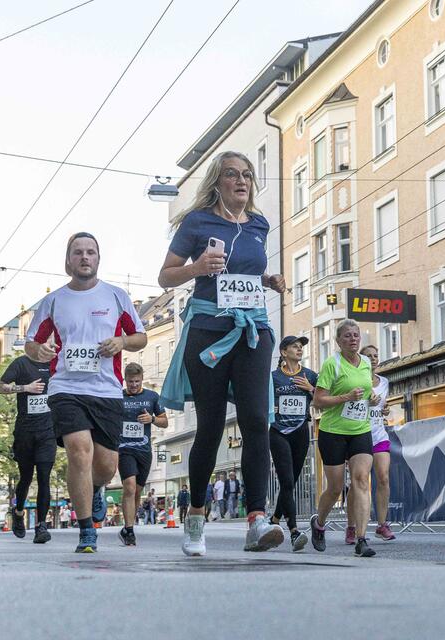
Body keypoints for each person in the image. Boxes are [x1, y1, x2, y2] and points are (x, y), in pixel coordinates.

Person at [159, 150, 285, 555]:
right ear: (218, 181)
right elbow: (165, 275)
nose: (242, 181)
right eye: (232, 174)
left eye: (247, 175)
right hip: (208, 330)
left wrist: (268, 279)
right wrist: (197, 268)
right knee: (211, 428)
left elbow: (245, 272)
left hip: (252, 330)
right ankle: (196, 515)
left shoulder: (260, 224)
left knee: (256, 420)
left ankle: (256, 519)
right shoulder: (198, 222)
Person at [25, 232, 147, 553]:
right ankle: (86, 531)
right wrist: (41, 351)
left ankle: (95, 489)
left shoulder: (116, 296)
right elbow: (31, 344)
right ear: (68, 261)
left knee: (106, 467)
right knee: (79, 450)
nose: (84, 257)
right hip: (66, 387)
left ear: (98, 259)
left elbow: (140, 338)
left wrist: (121, 342)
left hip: (106, 390)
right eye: (77, 252)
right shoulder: (53, 301)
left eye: (90, 252)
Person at [310, 320, 377, 558]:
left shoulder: (367, 363)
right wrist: (345, 397)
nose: (353, 339)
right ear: (338, 341)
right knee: (336, 487)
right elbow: (318, 401)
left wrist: (372, 400)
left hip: (360, 429)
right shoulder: (332, 364)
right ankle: (319, 523)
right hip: (333, 432)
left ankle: (361, 538)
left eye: (356, 335)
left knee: (361, 480)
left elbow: (365, 394)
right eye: (347, 336)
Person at [0, 352, 55, 544]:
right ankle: (19, 512)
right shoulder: (21, 363)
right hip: (25, 431)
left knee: (44, 477)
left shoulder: (57, 362)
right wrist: (25, 388)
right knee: (26, 478)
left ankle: (41, 526)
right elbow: (0, 387)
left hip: (48, 432)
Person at [269, 335, 317, 552]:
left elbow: (325, 400)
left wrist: (311, 389)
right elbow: (263, 402)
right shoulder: (273, 377)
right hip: (278, 432)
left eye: (301, 347)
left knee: (292, 481)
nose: (299, 350)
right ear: (283, 351)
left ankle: (275, 518)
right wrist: (271, 409)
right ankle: (295, 530)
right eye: (294, 347)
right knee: (286, 480)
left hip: (300, 431)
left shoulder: (310, 375)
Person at [344, 345, 396, 544]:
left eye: (376, 355)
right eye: (368, 356)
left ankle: (382, 524)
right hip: (358, 434)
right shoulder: (354, 380)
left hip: (378, 434)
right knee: (358, 482)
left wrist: (384, 409)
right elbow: (349, 405)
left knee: (383, 477)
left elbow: (383, 405)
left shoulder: (384, 382)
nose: (373, 359)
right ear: (361, 359)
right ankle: (351, 526)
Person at [118, 362, 167, 546]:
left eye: (137, 382)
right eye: (130, 382)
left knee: (137, 491)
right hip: (124, 449)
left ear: (141, 379)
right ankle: (129, 531)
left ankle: (127, 526)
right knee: (129, 487)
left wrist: (152, 419)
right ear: (125, 380)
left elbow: (165, 422)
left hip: (144, 451)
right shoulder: (117, 396)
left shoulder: (152, 396)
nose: (134, 385)